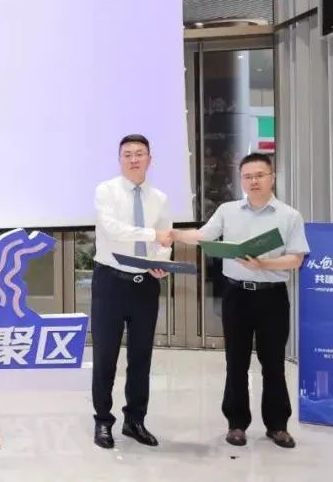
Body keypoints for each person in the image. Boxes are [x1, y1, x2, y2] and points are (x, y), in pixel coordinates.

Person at [171, 153, 309, 448]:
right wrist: (175, 234)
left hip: (272, 297)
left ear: (272, 178)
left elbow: (296, 259)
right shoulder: (228, 210)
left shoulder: (289, 215)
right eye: (247, 176)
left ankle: (277, 426)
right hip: (236, 295)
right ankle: (236, 424)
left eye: (259, 175)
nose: (253, 181)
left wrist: (264, 264)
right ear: (241, 180)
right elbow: (204, 235)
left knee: (273, 363)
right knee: (236, 361)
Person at [91, 134, 172, 449]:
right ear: (120, 159)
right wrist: (154, 235)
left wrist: (161, 262)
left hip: (145, 285)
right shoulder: (106, 191)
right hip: (110, 282)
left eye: (139, 153)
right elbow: (113, 230)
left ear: (150, 159)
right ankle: (103, 421)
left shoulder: (159, 198)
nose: (134, 159)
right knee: (105, 356)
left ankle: (135, 420)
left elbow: (165, 239)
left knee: (141, 357)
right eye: (127, 154)